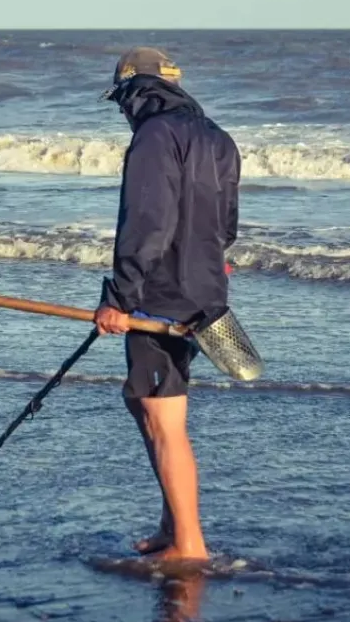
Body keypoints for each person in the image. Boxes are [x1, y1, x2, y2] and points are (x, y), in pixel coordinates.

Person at [93, 47, 240, 562]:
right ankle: (171, 525)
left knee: (162, 417)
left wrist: (120, 299)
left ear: (136, 91)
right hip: (205, 294)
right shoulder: (218, 137)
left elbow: (147, 225)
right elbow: (228, 227)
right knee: (147, 401)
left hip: (158, 298)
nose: (123, 111)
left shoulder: (154, 137)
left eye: (122, 101)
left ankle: (190, 547)